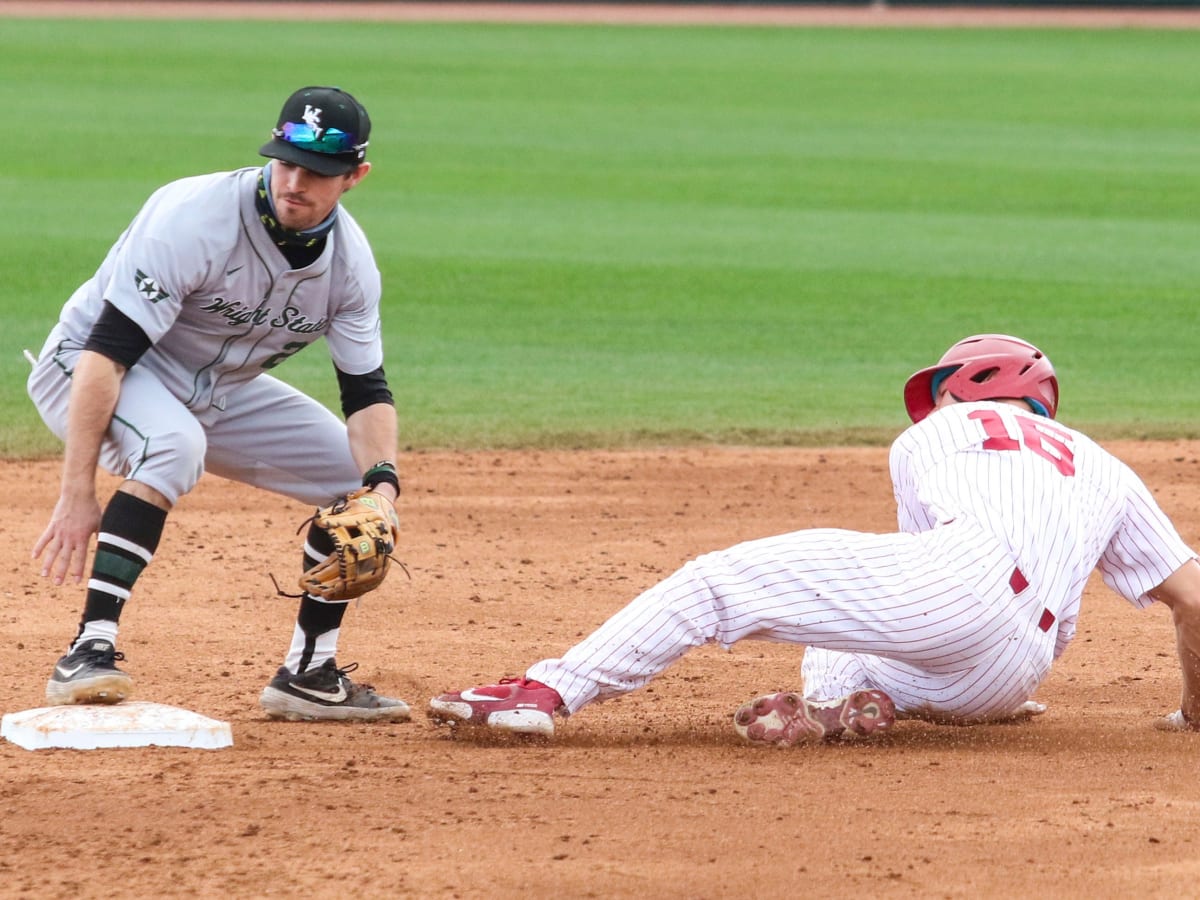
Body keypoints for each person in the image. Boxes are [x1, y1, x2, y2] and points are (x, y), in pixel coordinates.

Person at [429, 334, 1200, 743]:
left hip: (954, 592)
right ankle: (857, 707)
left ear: (970, 386)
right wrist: (1195, 715)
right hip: (1015, 672)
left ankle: (544, 691)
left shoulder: (938, 435)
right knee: (866, 642)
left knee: (716, 583)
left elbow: (930, 593)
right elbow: (1192, 600)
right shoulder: (1108, 468)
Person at [27, 86, 411, 722]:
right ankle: (87, 651)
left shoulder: (349, 267)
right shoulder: (193, 215)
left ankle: (308, 673)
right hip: (90, 367)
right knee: (174, 446)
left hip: (216, 390)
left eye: (317, 172)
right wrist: (77, 493)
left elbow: (366, 391)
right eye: (286, 161)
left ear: (354, 177)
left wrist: (383, 487)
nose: (295, 180)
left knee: (351, 481)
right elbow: (108, 351)